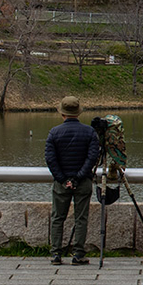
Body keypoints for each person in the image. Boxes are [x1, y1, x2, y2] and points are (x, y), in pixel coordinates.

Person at [44, 96, 100, 266]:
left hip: (61, 183)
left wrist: (63, 179)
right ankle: (78, 254)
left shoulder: (54, 132)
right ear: (78, 112)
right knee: (81, 218)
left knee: (57, 217)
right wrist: (78, 177)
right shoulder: (89, 132)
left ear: (62, 113)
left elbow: (50, 159)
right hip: (82, 182)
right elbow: (92, 157)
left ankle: (55, 254)